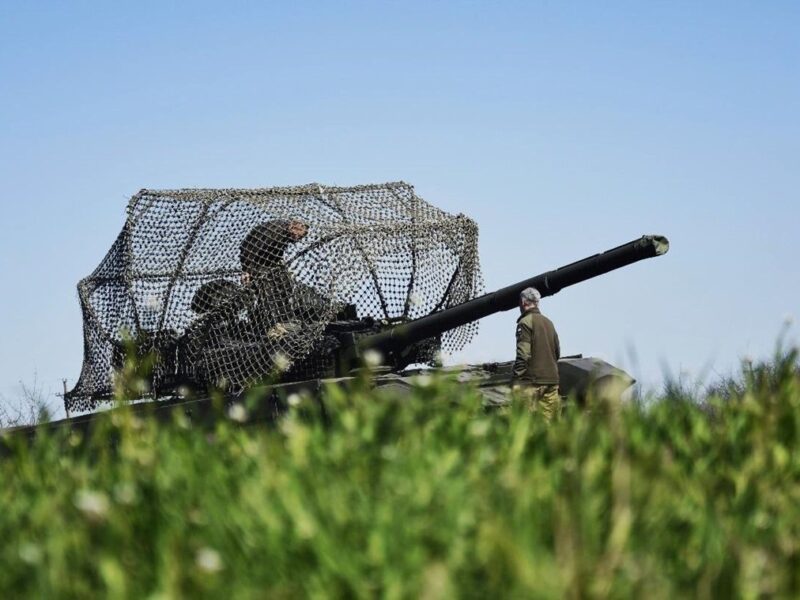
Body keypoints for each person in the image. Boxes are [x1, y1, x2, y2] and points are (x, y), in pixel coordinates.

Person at [511, 287, 561, 420]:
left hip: (532, 383)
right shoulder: (549, 323)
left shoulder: (525, 322)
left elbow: (523, 355)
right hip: (552, 381)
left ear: (523, 302)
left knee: (525, 424)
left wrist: (517, 381)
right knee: (546, 425)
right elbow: (557, 352)